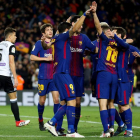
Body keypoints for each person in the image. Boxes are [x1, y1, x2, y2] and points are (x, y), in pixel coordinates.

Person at [44, 9, 95, 138]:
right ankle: (57, 125)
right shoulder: (62, 36)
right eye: (69, 29)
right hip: (63, 72)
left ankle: (66, 128)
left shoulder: (56, 38)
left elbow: (46, 45)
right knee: (71, 100)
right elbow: (73, 29)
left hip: (60, 73)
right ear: (67, 30)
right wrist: (84, 15)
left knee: (69, 101)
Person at [90, 1, 129, 137]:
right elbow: (127, 44)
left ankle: (106, 130)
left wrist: (94, 13)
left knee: (102, 104)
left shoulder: (104, 40)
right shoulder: (117, 44)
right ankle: (112, 128)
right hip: (114, 75)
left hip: (103, 74)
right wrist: (116, 36)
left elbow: (97, 27)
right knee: (111, 103)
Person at [67, 15, 97, 132]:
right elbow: (57, 36)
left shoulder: (83, 38)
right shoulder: (67, 37)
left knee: (78, 102)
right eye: (80, 23)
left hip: (79, 74)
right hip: (66, 74)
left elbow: (94, 49)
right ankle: (57, 127)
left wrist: (87, 51)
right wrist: (67, 22)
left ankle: (74, 128)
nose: (82, 25)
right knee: (66, 101)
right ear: (74, 24)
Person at [30, 23, 60, 131]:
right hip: (43, 76)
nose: (50, 31)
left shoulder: (55, 43)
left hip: (54, 76)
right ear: (43, 33)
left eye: (51, 29)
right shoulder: (39, 43)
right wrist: (45, 59)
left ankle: (56, 124)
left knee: (57, 100)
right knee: (42, 101)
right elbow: (32, 57)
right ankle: (40, 120)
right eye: (47, 30)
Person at [0, 27, 30, 127]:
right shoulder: (11, 46)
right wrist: (15, 77)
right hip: (5, 75)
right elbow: (11, 62)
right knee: (13, 98)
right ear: (9, 36)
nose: (16, 37)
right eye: (14, 35)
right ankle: (18, 121)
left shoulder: (0, 44)